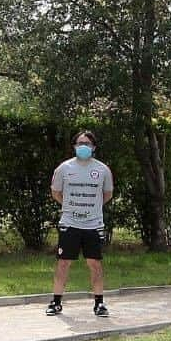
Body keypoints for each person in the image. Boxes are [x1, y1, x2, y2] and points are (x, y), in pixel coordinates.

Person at [47, 130, 114, 317]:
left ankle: (99, 303)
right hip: (70, 222)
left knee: (95, 263)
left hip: (93, 224)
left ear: (94, 147)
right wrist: (70, 206)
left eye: (87, 143)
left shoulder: (102, 170)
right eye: (80, 143)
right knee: (63, 263)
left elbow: (107, 194)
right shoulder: (64, 168)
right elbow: (56, 192)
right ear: (74, 146)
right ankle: (56, 302)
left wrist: (92, 208)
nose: (83, 146)